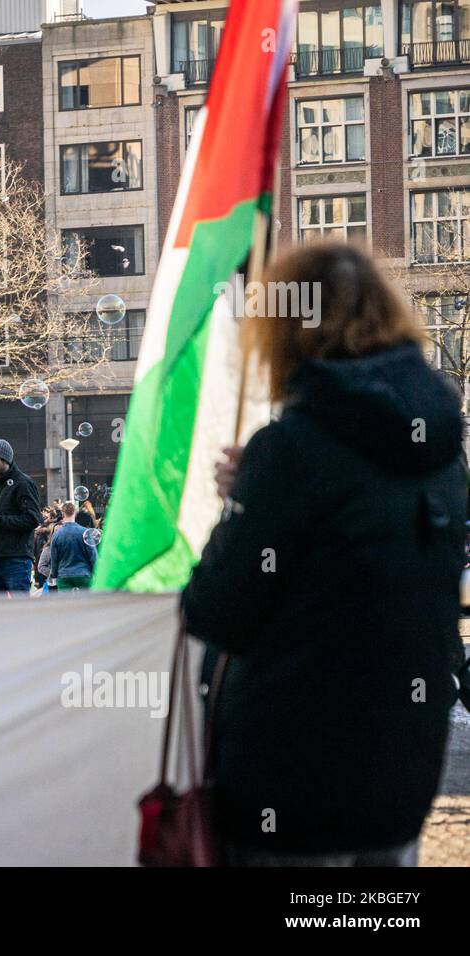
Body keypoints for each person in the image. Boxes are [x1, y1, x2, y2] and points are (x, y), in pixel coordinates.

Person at [181, 242, 466, 866]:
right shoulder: (442, 449)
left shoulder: (290, 449)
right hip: (402, 766)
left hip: (291, 772)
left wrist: (242, 502)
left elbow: (214, 609)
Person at [0, 439, 42, 594]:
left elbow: (33, 519)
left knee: (19, 610)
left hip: (16, 557)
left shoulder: (23, 483)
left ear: (5, 459)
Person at [48, 501, 96, 591]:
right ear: (75, 513)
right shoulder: (85, 532)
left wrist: (54, 574)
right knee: (86, 603)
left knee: (66, 604)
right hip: (83, 573)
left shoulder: (57, 534)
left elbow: (54, 558)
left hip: (64, 575)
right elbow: (92, 554)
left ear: (63, 514)